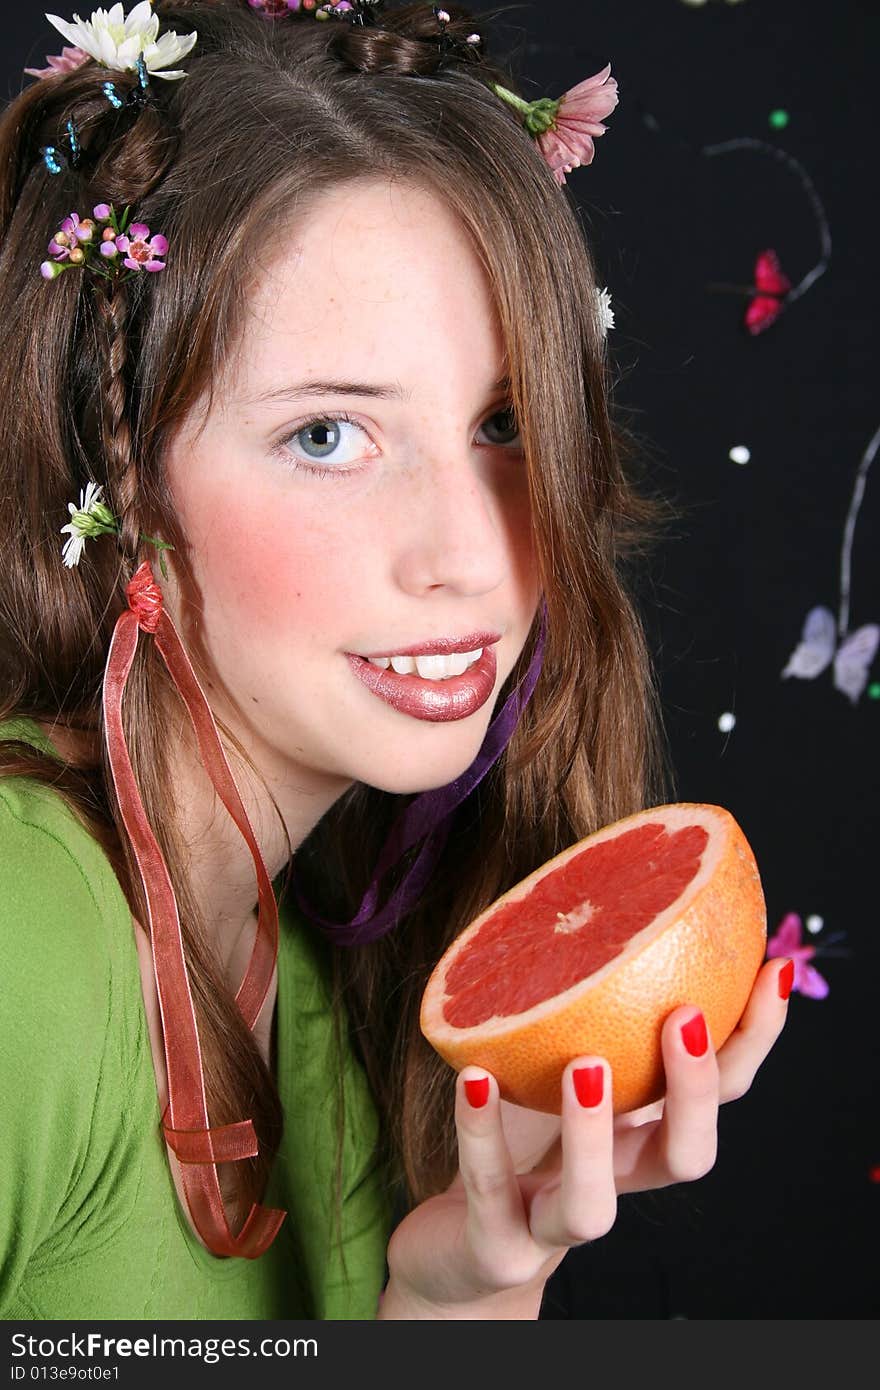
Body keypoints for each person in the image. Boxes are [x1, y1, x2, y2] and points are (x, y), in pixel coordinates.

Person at [0, 0, 793, 1321]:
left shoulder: (314, 963)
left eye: (503, 422)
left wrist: (463, 1299)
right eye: (328, 436)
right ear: (118, 473)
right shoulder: (26, 934)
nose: (473, 558)